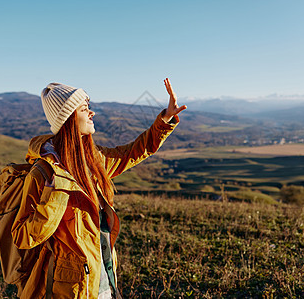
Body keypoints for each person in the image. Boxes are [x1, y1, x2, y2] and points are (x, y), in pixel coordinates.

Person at [11, 78, 186, 298]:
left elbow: (132, 152)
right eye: (84, 109)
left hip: (103, 279)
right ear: (67, 119)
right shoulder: (43, 174)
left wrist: (166, 118)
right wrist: (53, 198)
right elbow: (22, 237)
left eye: (89, 106)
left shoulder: (92, 160)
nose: (92, 113)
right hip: (71, 289)